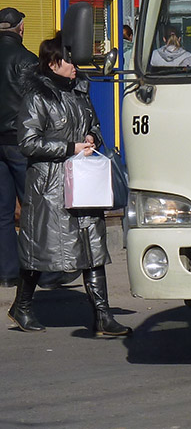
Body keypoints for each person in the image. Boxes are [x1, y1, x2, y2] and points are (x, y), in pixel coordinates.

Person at [7, 33, 131, 336]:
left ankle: (103, 316)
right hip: (50, 187)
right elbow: (28, 142)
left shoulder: (79, 91)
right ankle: (21, 306)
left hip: (84, 182)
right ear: (52, 63)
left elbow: (94, 126)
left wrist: (91, 139)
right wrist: (69, 147)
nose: (75, 65)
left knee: (93, 246)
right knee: (39, 250)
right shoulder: (37, 97)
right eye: (68, 59)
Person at [0, 7, 35, 288]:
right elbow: (38, 103)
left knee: (2, 211)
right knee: (34, 207)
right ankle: (43, 271)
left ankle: (7, 272)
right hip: (19, 141)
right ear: (20, 28)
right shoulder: (27, 60)